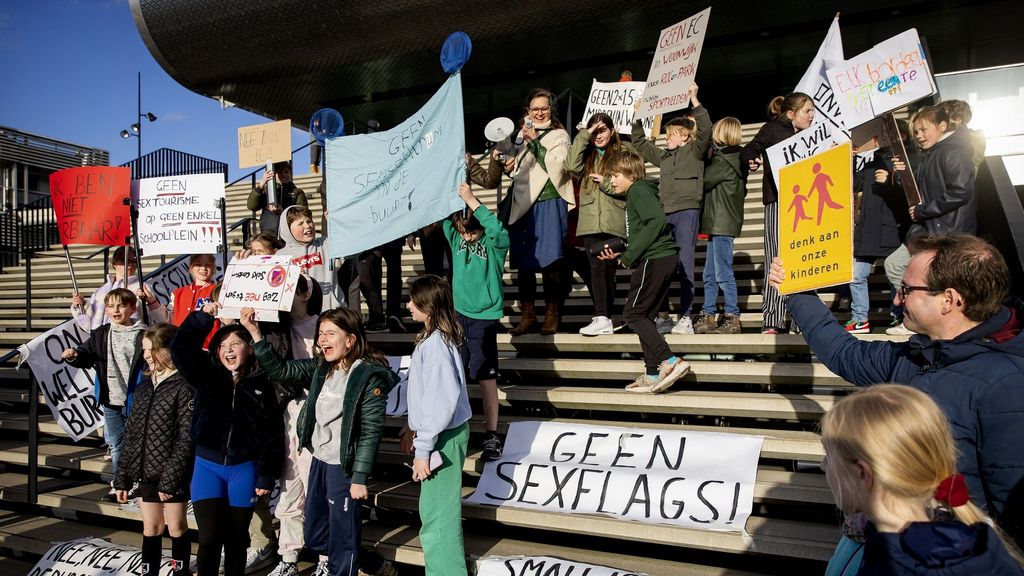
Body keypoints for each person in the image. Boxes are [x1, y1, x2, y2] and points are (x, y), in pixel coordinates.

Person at [768, 233, 1024, 547]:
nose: (897, 300)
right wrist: (797, 291)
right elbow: (844, 354)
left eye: (907, 289)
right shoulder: (917, 355)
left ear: (950, 300)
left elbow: (1013, 517)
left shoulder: (1008, 385)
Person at [244, 306, 398, 576]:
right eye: (321, 333)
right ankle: (372, 563)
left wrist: (360, 476)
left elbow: (371, 431)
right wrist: (255, 333)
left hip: (343, 466)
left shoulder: (368, 375)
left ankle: (347, 565)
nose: (322, 339)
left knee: (343, 539)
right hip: (319, 460)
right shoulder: (321, 367)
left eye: (330, 333)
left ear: (350, 340)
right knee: (315, 535)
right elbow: (281, 371)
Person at [820, 384, 1024, 575]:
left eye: (829, 456)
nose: (822, 465)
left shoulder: (898, 565)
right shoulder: (964, 544)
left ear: (863, 473)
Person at [170, 304, 285, 576]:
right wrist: (202, 318)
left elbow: (273, 432)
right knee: (209, 538)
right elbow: (180, 349)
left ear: (249, 348)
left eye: (235, 344)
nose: (228, 350)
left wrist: (266, 474)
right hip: (207, 467)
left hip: (243, 470)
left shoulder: (263, 382)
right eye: (222, 346)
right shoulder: (207, 374)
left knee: (236, 539)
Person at [597, 150, 691, 393]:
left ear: (630, 174)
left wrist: (630, 256)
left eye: (615, 175)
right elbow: (647, 229)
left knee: (633, 314)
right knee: (644, 316)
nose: (611, 181)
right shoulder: (639, 193)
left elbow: (656, 222)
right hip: (661, 257)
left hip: (656, 258)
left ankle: (670, 360)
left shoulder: (637, 191)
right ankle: (652, 373)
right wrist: (624, 250)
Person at [400, 275, 472, 576]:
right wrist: (413, 427)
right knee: (435, 515)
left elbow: (440, 402)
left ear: (428, 306)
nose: (408, 305)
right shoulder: (436, 341)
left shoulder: (436, 346)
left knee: (438, 520)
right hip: (440, 435)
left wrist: (423, 448)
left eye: (413, 300)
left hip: (442, 438)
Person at [882, 105, 976, 335]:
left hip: (946, 232)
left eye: (924, 130)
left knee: (915, 272)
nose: (919, 136)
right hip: (929, 230)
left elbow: (961, 191)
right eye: (916, 132)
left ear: (942, 126)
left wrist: (923, 210)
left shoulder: (953, 151)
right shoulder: (931, 154)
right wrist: (901, 176)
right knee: (895, 265)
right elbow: (920, 190)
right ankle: (921, 320)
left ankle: (924, 322)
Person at [113, 323, 195, 576]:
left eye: (152, 349)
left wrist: (170, 480)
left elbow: (186, 438)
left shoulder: (184, 385)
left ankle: (180, 571)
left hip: (172, 475)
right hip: (146, 473)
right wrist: (122, 477)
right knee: (151, 528)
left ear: (168, 350)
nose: (147, 355)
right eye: (145, 349)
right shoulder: (144, 386)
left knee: (176, 526)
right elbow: (132, 434)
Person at [631, 82, 712, 335]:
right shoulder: (664, 156)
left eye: (672, 134)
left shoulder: (696, 151)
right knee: (662, 264)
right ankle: (663, 316)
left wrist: (694, 99)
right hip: (665, 213)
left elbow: (706, 129)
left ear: (685, 136)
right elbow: (640, 143)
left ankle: (686, 317)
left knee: (685, 263)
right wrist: (637, 117)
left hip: (687, 211)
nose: (667, 138)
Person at [63, 288, 153, 501]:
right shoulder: (101, 333)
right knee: (117, 444)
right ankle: (119, 484)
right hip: (110, 399)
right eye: (111, 306)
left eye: (121, 305)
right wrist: (74, 356)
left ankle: (137, 481)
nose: (116, 310)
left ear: (133, 308)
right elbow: (86, 354)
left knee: (138, 442)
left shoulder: (144, 334)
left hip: (136, 399)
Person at [740, 92, 816, 334]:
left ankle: (802, 320)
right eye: (807, 111)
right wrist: (752, 160)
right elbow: (749, 149)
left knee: (805, 257)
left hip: (807, 203)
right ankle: (773, 319)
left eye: (813, 111)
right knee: (776, 257)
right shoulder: (772, 129)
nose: (812, 115)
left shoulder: (814, 134)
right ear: (791, 114)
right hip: (778, 200)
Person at [444, 182, 510, 460]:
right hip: (458, 314)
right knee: (454, 374)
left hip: (484, 317)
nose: (467, 237)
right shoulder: (456, 236)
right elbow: (443, 215)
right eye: (463, 232)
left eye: (472, 232)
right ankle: (453, 427)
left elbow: (499, 231)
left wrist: (472, 200)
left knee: (486, 377)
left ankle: (491, 434)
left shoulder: (493, 244)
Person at [506, 88, 575, 336]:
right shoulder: (519, 137)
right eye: (534, 109)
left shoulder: (559, 135)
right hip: (524, 204)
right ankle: (528, 316)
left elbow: (558, 165)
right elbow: (517, 170)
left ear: (551, 110)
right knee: (524, 264)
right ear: (528, 111)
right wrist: (508, 162)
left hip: (549, 200)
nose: (539, 113)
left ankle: (551, 315)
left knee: (550, 261)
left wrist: (535, 141)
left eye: (544, 108)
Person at [566, 112, 633, 336]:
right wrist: (585, 134)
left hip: (614, 219)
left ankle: (606, 316)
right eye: (594, 131)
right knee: (596, 269)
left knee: (609, 271)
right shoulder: (587, 155)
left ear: (612, 131)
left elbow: (630, 182)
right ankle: (602, 316)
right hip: (590, 222)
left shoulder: (623, 152)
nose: (598, 135)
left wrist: (605, 183)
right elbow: (570, 164)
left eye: (602, 130)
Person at [846, 131, 911, 334]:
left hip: (891, 228)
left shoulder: (905, 160)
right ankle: (860, 319)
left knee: (895, 275)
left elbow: (910, 196)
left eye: (884, 135)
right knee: (857, 275)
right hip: (868, 229)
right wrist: (849, 159)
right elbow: (853, 185)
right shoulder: (870, 164)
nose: (878, 139)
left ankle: (899, 316)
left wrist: (892, 179)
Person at [694, 117, 746, 334]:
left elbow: (703, 181)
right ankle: (708, 313)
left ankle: (732, 315)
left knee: (722, 272)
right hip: (718, 222)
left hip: (721, 223)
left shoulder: (724, 160)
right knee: (709, 274)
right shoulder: (733, 158)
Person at [70, 246, 166, 330]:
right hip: (102, 341)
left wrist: (149, 302)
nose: (130, 264)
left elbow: (157, 321)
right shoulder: (100, 292)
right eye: (125, 260)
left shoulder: (143, 288)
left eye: (133, 261)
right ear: (114, 263)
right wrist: (80, 305)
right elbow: (89, 324)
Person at [278, 205, 344, 309]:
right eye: (300, 223)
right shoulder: (280, 256)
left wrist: (334, 222)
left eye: (309, 221)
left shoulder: (326, 244)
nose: (307, 226)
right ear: (288, 230)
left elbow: (347, 239)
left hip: (331, 311)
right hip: (300, 314)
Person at [247, 161, 308, 235]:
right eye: (279, 172)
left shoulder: (297, 192)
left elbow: (303, 214)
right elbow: (252, 206)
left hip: (290, 233)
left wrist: (284, 212)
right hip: (268, 233)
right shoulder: (266, 191)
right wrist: (261, 185)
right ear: (273, 174)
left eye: (286, 172)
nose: (284, 175)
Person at [169, 253, 217, 326]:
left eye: (208, 265)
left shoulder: (217, 291)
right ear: (191, 268)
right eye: (198, 264)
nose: (203, 268)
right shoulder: (178, 293)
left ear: (213, 268)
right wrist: (152, 302)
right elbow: (167, 320)